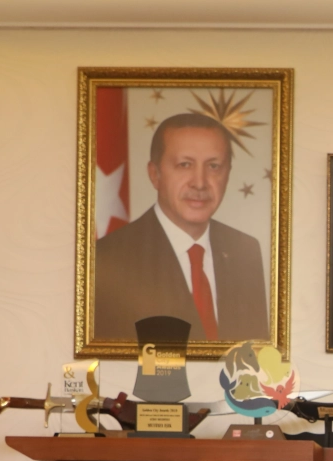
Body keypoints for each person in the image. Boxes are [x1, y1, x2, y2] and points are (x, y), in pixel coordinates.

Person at [94, 113, 269, 344]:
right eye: (184, 165)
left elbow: (255, 353)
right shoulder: (108, 258)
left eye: (214, 166)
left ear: (227, 174)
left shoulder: (245, 251)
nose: (200, 182)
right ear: (155, 175)